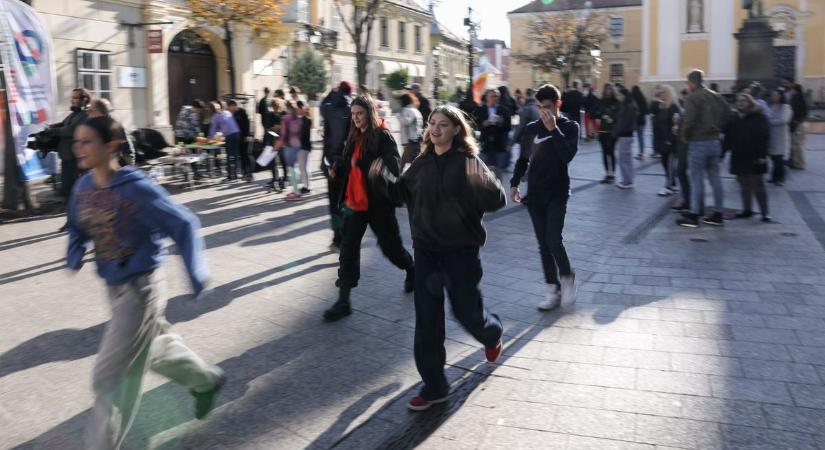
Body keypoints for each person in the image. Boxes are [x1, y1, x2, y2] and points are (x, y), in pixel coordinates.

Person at [66, 115, 225, 450]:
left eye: (87, 142)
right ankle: (206, 380)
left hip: (141, 290)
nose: (78, 148)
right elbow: (77, 227)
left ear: (111, 146)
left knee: (110, 377)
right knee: (153, 349)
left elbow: (183, 223)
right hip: (113, 287)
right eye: (76, 142)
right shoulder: (82, 188)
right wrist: (75, 250)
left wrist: (196, 272)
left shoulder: (136, 188)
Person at [368, 105, 505, 411]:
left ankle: (491, 333)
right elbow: (400, 194)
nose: (435, 129)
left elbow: (497, 200)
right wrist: (381, 178)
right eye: (432, 123)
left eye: (443, 124)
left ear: (456, 129)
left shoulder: (468, 161)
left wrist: (482, 184)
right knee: (427, 321)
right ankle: (435, 386)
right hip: (426, 252)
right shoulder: (422, 163)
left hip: (461, 253)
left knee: (467, 313)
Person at [322, 95, 416, 322]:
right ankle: (344, 301)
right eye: (353, 114)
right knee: (348, 249)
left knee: (391, 248)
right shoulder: (354, 135)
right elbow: (349, 164)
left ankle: (411, 268)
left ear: (370, 113)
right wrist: (336, 168)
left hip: (378, 203)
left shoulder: (383, 136)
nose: (355, 118)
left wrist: (379, 168)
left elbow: (394, 170)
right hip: (355, 203)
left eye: (360, 113)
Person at [510, 84, 579, 311]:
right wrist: (514, 183)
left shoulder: (570, 127)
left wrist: (553, 129)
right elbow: (523, 160)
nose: (543, 112)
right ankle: (552, 289)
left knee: (554, 240)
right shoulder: (531, 129)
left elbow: (567, 156)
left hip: (558, 192)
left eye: (547, 107)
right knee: (543, 245)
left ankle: (567, 277)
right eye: (540, 107)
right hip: (535, 194)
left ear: (558, 104)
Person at [677, 69, 731, 228]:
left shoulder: (693, 97)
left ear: (691, 82)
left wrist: (684, 135)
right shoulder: (716, 96)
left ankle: (694, 214)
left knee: (696, 179)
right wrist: (718, 128)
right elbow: (728, 113)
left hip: (698, 141)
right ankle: (718, 213)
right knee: (715, 178)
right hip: (714, 141)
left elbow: (689, 120)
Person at [723, 93, 771, 222]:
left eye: (743, 100)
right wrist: (723, 152)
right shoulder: (734, 118)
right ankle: (747, 209)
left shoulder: (759, 117)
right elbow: (728, 136)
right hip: (739, 155)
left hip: (755, 155)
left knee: (758, 185)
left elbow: (764, 137)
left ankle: (765, 213)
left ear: (750, 102)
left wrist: (762, 155)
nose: (740, 102)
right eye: (738, 100)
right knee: (744, 184)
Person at [320, 81, 353, 251]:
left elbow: (321, 105)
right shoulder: (352, 109)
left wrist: (331, 93)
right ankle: (347, 237)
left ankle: (337, 238)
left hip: (330, 162)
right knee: (347, 202)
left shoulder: (328, 107)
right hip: (347, 163)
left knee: (334, 202)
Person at [52, 87, 90, 230]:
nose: (72, 100)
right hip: (67, 160)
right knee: (67, 191)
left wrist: (55, 131)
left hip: (76, 161)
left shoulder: (85, 115)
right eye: (72, 97)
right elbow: (63, 125)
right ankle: (71, 221)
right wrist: (49, 128)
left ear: (84, 100)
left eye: (75, 98)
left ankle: (81, 222)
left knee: (77, 192)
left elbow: (72, 130)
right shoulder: (73, 115)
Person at [650, 85, 681, 196]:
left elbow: (676, 125)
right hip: (661, 140)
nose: (660, 94)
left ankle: (669, 186)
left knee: (669, 164)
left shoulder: (673, 107)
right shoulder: (661, 106)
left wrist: (670, 139)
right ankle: (673, 184)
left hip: (670, 142)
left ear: (669, 93)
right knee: (665, 163)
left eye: (663, 92)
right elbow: (655, 120)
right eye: (660, 92)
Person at [474, 89, 512, 176]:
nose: (495, 98)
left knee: (498, 172)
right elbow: (475, 125)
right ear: (487, 97)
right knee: (484, 172)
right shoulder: (481, 109)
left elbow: (509, 127)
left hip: (499, 146)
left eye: (497, 96)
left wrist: (501, 122)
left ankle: (497, 185)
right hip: (485, 145)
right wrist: (484, 124)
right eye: (492, 96)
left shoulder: (504, 110)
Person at [88, 98, 136, 167]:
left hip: (118, 167)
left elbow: (123, 147)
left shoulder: (112, 125)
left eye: (90, 110)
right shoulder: (95, 125)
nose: (88, 114)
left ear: (97, 110)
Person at [206, 101, 242, 182]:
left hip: (230, 135)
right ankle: (236, 175)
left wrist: (209, 138)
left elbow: (213, 130)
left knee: (229, 156)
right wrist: (220, 133)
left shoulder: (215, 116)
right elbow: (225, 125)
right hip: (237, 133)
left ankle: (230, 176)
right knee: (235, 155)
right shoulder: (226, 112)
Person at [278, 101, 306, 200]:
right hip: (297, 144)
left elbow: (283, 135)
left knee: (291, 169)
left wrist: (276, 147)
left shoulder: (285, 118)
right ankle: (295, 190)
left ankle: (296, 193)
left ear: (287, 108)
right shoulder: (298, 119)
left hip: (289, 145)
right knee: (294, 168)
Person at [613, 87, 639, 189]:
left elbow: (623, 123)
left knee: (623, 159)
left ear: (624, 96)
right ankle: (629, 179)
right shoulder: (628, 105)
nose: (618, 97)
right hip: (627, 135)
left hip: (625, 135)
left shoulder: (627, 106)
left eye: (620, 95)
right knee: (627, 159)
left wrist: (615, 132)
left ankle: (627, 181)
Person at [671, 89, 692, 212]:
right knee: (681, 172)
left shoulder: (692, 109)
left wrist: (679, 126)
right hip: (682, 145)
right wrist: (677, 127)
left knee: (683, 172)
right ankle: (686, 200)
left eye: (686, 97)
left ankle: (689, 202)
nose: (684, 100)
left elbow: (690, 128)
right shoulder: (683, 109)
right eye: (683, 98)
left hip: (688, 146)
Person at [766, 88, 792, 186]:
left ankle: (780, 178)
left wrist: (770, 122)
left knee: (779, 159)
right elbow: (768, 116)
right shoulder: (772, 106)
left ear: (780, 96)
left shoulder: (786, 107)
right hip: (772, 135)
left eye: (776, 95)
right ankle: (774, 177)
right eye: (773, 95)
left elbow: (783, 120)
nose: (774, 97)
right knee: (773, 157)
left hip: (781, 136)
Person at [597, 83, 620, 184]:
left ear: (612, 90)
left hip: (612, 131)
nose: (608, 91)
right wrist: (602, 115)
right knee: (604, 152)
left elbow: (618, 115)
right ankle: (607, 173)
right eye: (606, 89)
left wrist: (612, 119)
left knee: (611, 151)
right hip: (602, 130)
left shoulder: (616, 101)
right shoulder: (601, 101)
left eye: (610, 89)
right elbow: (597, 112)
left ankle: (613, 174)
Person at [227, 100, 253, 181]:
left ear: (233, 105)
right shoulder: (232, 114)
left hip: (245, 137)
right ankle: (244, 173)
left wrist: (247, 135)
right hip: (238, 137)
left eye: (230, 107)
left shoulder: (242, 112)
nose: (229, 109)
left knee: (245, 155)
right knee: (241, 155)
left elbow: (247, 124)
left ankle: (249, 174)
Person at [787, 82, 809, 169]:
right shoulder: (803, 99)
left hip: (797, 124)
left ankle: (797, 163)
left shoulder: (795, 99)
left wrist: (794, 121)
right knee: (801, 144)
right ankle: (800, 162)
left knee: (796, 145)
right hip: (804, 123)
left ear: (795, 90)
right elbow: (805, 112)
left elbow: (794, 112)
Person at [398, 93, 424, 167]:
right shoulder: (416, 110)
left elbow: (406, 122)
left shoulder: (407, 110)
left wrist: (399, 116)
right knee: (406, 163)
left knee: (405, 164)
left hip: (410, 141)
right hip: (416, 140)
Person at [295, 101, 313, 194]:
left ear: (302, 109)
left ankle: (306, 187)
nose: (297, 110)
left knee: (303, 167)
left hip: (303, 147)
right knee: (302, 167)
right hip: (302, 146)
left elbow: (302, 134)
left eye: (298, 108)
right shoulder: (301, 119)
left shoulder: (306, 120)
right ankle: (305, 186)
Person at [631, 85, 649, 159]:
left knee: (636, 137)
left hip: (637, 121)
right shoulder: (643, 99)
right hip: (643, 120)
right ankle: (641, 153)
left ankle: (640, 153)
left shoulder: (634, 100)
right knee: (641, 137)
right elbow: (646, 111)